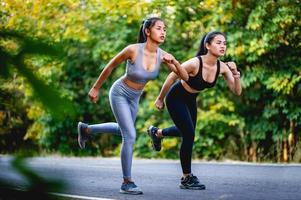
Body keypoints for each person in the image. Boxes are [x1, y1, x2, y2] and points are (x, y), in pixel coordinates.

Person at [77, 17, 187, 195]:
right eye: (159, 28)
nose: (163, 32)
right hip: (120, 92)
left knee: (124, 132)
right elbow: (111, 66)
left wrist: (174, 61)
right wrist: (96, 87)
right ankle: (126, 182)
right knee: (129, 135)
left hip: (135, 97)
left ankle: (86, 130)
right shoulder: (133, 50)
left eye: (165, 29)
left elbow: (185, 77)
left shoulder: (163, 55)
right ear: (147, 31)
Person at [147, 31, 242, 190]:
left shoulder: (222, 67)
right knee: (189, 134)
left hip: (191, 99)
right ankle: (186, 177)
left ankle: (157, 133)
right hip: (176, 97)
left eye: (224, 43)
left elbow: (237, 91)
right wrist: (160, 98)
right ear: (207, 45)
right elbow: (172, 76)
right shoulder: (195, 63)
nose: (222, 46)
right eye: (218, 43)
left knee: (187, 131)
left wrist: (235, 74)